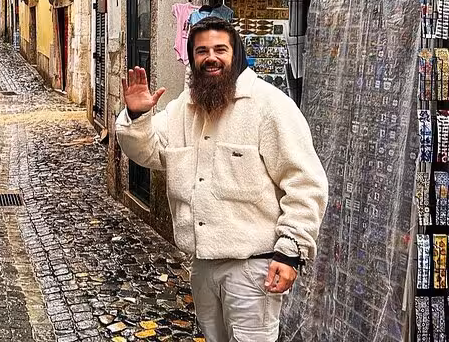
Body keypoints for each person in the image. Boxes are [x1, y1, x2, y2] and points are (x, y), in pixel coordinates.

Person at [115, 18, 328, 342]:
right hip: (201, 264)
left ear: (237, 56)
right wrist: (137, 116)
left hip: (253, 267)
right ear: (192, 59)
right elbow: (148, 152)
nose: (210, 57)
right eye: (202, 50)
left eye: (220, 49)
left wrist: (290, 251)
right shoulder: (183, 111)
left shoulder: (269, 106)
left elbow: (305, 182)